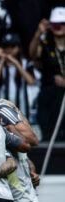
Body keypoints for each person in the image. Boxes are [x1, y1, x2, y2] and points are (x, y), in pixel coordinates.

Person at [28, 9, 65, 141]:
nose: (59, 27)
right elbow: (32, 54)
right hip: (49, 93)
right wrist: (39, 32)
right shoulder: (45, 44)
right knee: (48, 133)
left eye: (62, 23)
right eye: (56, 24)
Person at [0, 33, 37, 118]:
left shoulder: (25, 63)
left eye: (13, 46)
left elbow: (31, 81)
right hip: (2, 109)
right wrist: (2, 60)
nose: (9, 49)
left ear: (18, 48)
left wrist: (16, 63)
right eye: (6, 46)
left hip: (22, 107)